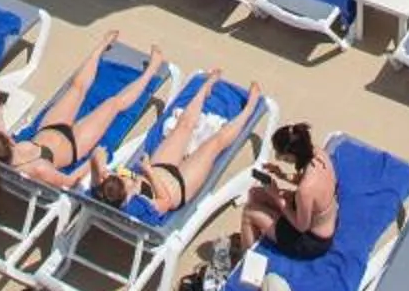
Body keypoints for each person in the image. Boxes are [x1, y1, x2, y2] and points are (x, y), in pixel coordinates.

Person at [0, 39, 169, 209]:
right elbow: (68, 181)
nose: (9, 136)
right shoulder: (39, 170)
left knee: (77, 88)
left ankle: (101, 47)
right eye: (8, 139)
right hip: (74, 145)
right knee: (113, 104)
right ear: (9, 145)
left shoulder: (2, 159)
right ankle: (152, 68)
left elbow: (1, 134)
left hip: (48, 128)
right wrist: (92, 162)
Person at [93, 82, 267, 221]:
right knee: (214, 144)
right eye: (126, 184)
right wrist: (148, 172)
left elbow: (97, 174)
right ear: (122, 199)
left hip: (159, 168)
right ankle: (250, 107)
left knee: (183, 127)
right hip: (179, 185)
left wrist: (99, 164)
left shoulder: (102, 194)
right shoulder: (136, 208)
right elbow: (165, 202)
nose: (128, 181)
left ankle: (204, 90)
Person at [240, 122, 337, 260]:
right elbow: (305, 181)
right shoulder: (318, 154)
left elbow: (301, 226)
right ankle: (254, 238)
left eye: (281, 155)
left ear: (291, 155)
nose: (279, 158)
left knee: (248, 213)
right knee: (255, 193)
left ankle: (246, 262)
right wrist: (281, 175)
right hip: (319, 216)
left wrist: (276, 196)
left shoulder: (305, 190)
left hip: (311, 241)